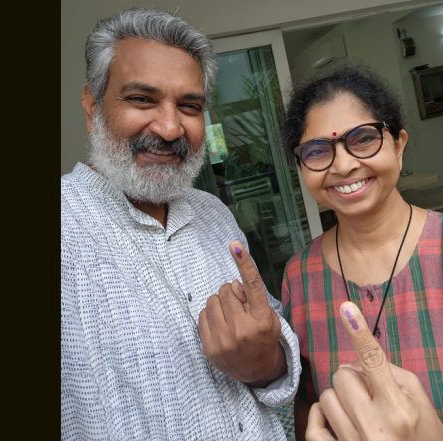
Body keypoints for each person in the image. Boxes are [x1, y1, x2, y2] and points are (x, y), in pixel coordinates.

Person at [61, 8, 301, 440]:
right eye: (142, 99)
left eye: (189, 106)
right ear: (92, 106)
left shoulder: (213, 212)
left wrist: (266, 363)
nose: (171, 128)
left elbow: (270, 333)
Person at [280, 66, 443, 440]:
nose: (343, 165)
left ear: (399, 144)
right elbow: (308, 407)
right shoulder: (299, 277)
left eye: (363, 139)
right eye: (318, 150)